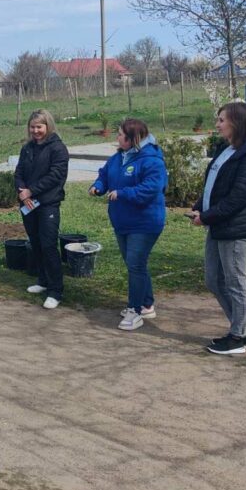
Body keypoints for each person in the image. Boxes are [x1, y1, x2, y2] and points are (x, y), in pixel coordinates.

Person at [191, 102, 246, 355]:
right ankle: (241, 330)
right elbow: (214, 185)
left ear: (237, 122)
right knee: (213, 280)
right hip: (218, 224)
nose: (217, 124)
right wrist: (199, 207)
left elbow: (237, 198)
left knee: (235, 283)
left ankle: (237, 337)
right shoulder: (226, 150)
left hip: (235, 229)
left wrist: (207, 216)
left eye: (222, 120)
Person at [89, 119, 167, 331]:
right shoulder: (119, 157)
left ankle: (135, 310)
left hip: (145, 222)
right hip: (122, 221)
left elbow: (151, 188)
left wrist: (123, 193)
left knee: (135, 264)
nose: (117, 137)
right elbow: (105, 174)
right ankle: (147, 304)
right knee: (135, 264)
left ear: (134, 138)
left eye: (121, 134)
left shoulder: (152, 160)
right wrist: (98, 186)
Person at [14, 109, 70, 309]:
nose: (35, 131)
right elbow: (19, 172)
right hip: (28, 204)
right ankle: (43, 280)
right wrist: (22, 191)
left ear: (48, 126)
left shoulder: (58, 149)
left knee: (48, 245)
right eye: (32, 127)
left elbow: (55, 176)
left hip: (48, 204)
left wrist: (32, 191)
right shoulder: (27, 148)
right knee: (36, 243)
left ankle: (56, 291)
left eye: (39, 127)